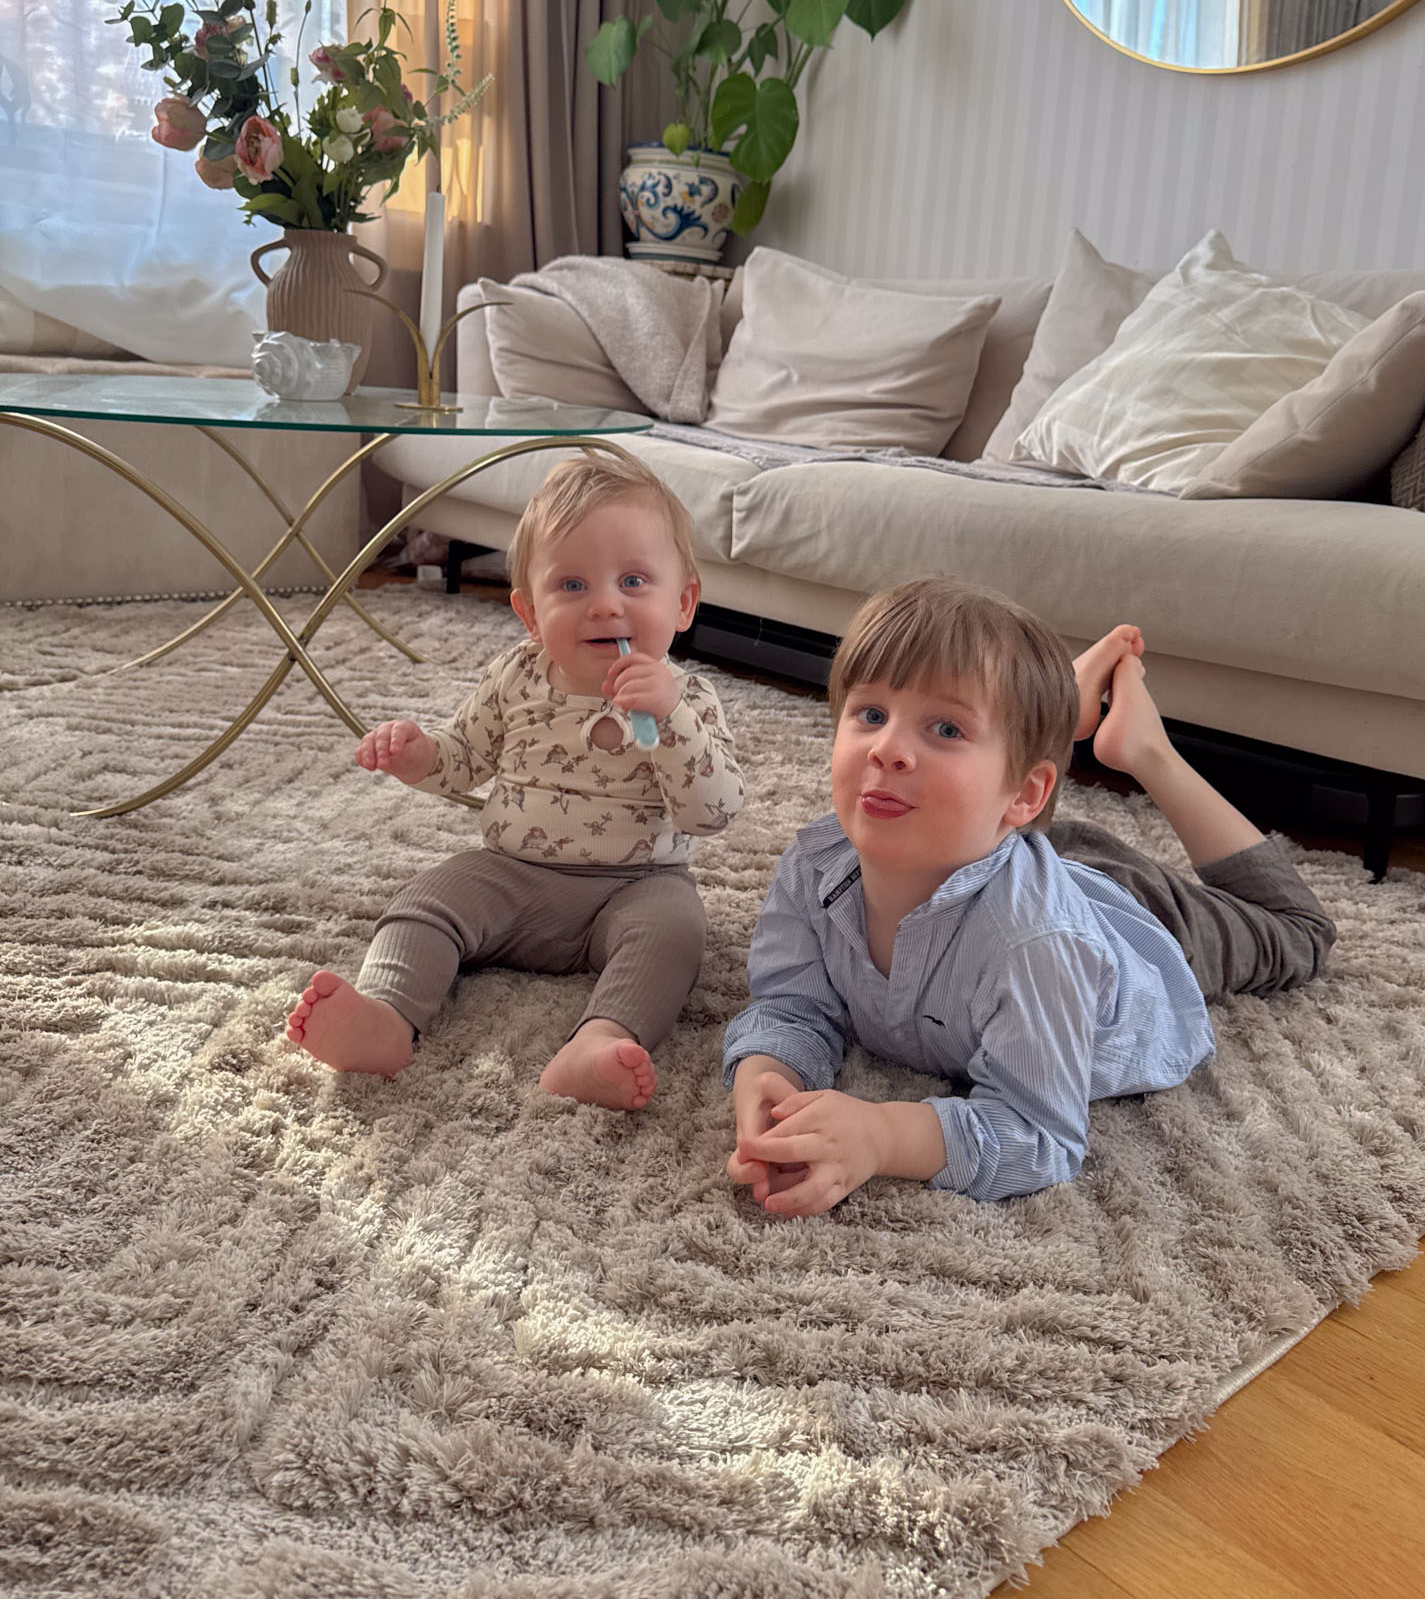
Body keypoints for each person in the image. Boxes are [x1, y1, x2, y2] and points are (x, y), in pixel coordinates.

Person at [724, 578, 1335, 1213]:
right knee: (985, 807)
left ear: (1026, 794)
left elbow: (1039, 1135)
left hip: (1134, 920)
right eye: (871, 715)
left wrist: (884, 1134)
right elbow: (791, 1005)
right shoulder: (815, 864)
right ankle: (1049, 712)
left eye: (945, 728)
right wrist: (768, 1076)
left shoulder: (1037, 946)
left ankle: (1142, 748)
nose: (887, 750)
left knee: (1297, 933)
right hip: (999, 841)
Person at [286, 444, 745, 1107]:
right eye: (573, 586)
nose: (605, 605)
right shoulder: (516, 676)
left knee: (677, 932)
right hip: (511, 873)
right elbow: (464, 758)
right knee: (427, 898)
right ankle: (386, 1016)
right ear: (529, 614)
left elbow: (714, 813)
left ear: (683, 603)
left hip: (636, 886)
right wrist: (420, 755)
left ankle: (600, 1041)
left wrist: (672, 720)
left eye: (634, 581)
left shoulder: (690, 699)